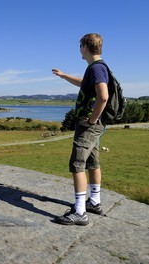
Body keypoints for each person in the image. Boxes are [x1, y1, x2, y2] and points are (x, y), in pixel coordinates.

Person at [52, 33, 109, 225]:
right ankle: (94, 201)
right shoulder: (95, 68)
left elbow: (103, 96)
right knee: (93, 162)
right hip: (93, 125)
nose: (79, 50)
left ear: (85, 46)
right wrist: (64, 76)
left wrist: (92, 120)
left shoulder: (97, 68)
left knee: (77, 164)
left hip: (88, 125)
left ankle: (80, 212)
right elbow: (83, 84)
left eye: (80, 46)